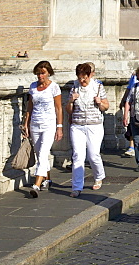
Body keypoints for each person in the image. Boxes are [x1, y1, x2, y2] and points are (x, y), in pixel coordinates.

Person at [22, 60, 63, 198]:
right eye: (38, 73)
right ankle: (48, 179)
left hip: (49, 124)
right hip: (35, 123)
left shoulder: (54, 87)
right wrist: (26, 124)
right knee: (40, 154)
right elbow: (30, 107)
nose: (40, 76)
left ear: (48, 73)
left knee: (43, 153)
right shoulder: (33, 87)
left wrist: (59, 126)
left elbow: (58, 108)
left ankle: (36, 184)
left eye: (43, 73)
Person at [68, 63, 108, 197]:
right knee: (78, 156)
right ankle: (77, 187)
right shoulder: (74, 87)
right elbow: (68, 110)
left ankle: (99, 175)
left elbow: (106, 106)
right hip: (77, 125)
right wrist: (71, 101)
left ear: (89, 75)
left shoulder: (98, 87)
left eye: (84, 77)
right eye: (80, 77)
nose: (82, 80)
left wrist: (99, 103)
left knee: (93, 154)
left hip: (94, 125)